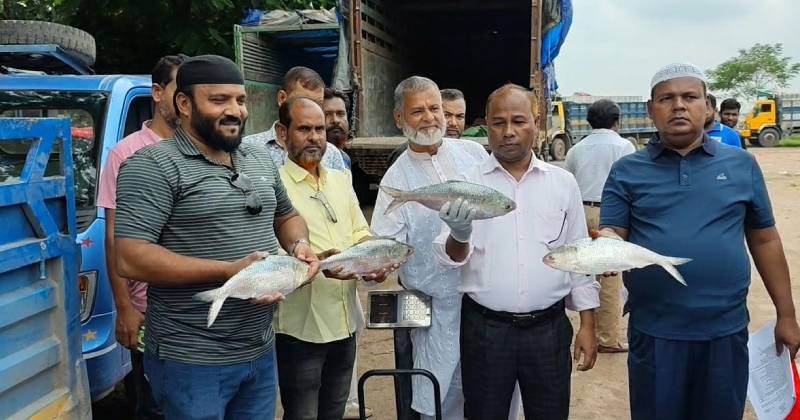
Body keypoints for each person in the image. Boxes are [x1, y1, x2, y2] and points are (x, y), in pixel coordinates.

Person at [114, 55, 320, 419]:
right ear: (184, 104)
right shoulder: (152, 166)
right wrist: (228, 272)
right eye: (219, 100)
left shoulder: (257, 159)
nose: (235, 111)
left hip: (258, 350)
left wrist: (298, 245)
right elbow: (130, 257)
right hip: (192, 358)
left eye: (240, 100)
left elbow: (287, 216)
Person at [599, 62, 800, 419]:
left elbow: (765, 240)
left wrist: (787, 314)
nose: (678, 105)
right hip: (656, 332)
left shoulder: (741, 165)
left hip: (724, 332)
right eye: (667, 98)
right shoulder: (627, 170)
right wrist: (606, 249)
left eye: (689, 97)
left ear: (707, 106)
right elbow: (615, 232)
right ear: (651, 109)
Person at [434, 83, 599, 420]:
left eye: (519, 121)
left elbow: (578, 257)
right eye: (498, 122)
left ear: (537, 123)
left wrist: (588, 323)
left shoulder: (562, 183)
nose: (508, 132)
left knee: (550, 413)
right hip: (485, 330)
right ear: (486, 126)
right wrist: (459, 233)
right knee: (484, 413)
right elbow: (449, 256)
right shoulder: (466, 183)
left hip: (548, 330)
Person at [373, 77, 526, 420]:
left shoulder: (472, 153)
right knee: (442, 400)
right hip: (437, 310)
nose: (429, 117)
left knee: (498, 394)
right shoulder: (395, 181)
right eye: (417, 111)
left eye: (434, 108)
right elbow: (385, 244)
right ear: (399, 119)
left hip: (489, 302)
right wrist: (373, 265)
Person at [273, 96, 395, 420]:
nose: (314, 137)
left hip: (345, 322)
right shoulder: (275, 184)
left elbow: (361, 234)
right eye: (304, 129)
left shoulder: (340, 180)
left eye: (319, 129)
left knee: (335, 412)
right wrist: (313, 260)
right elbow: (270, 256)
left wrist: (373, 263)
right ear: (282, 134)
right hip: (301, 330)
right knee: (302, 414)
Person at [97, 53, 187, 420]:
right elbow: (113, 236)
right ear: (157, 92)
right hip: (149, 312)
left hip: (195, 310)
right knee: (154, 404)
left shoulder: (200, 148)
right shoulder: (126, 154)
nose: (187, 101)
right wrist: (123, 307)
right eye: (180, 90)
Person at [564, 99, 635, 354]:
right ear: (617, 120)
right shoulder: (624, 146)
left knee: (584, 275)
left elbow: (570, 180)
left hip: (580, 212)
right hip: (611, 215)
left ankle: (587, 331)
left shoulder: (576, 149)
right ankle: (607, 338)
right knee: (610, 278)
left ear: (588, 121)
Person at [243, 66, 347, 171]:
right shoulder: (248, 148)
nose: (312, 110)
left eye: (318, 104)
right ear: (282, 98)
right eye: (303, 102)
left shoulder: (332, 154)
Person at [387, 88, 468, 166]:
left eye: (460, 116)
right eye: (446, 115)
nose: (453, 123)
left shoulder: (467, 153)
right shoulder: (404, 154)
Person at [322, 87, 352, 169]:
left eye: (340, 114)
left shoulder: (345, 158)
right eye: (327, 114)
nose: (335, 120)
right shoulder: (312, 158)